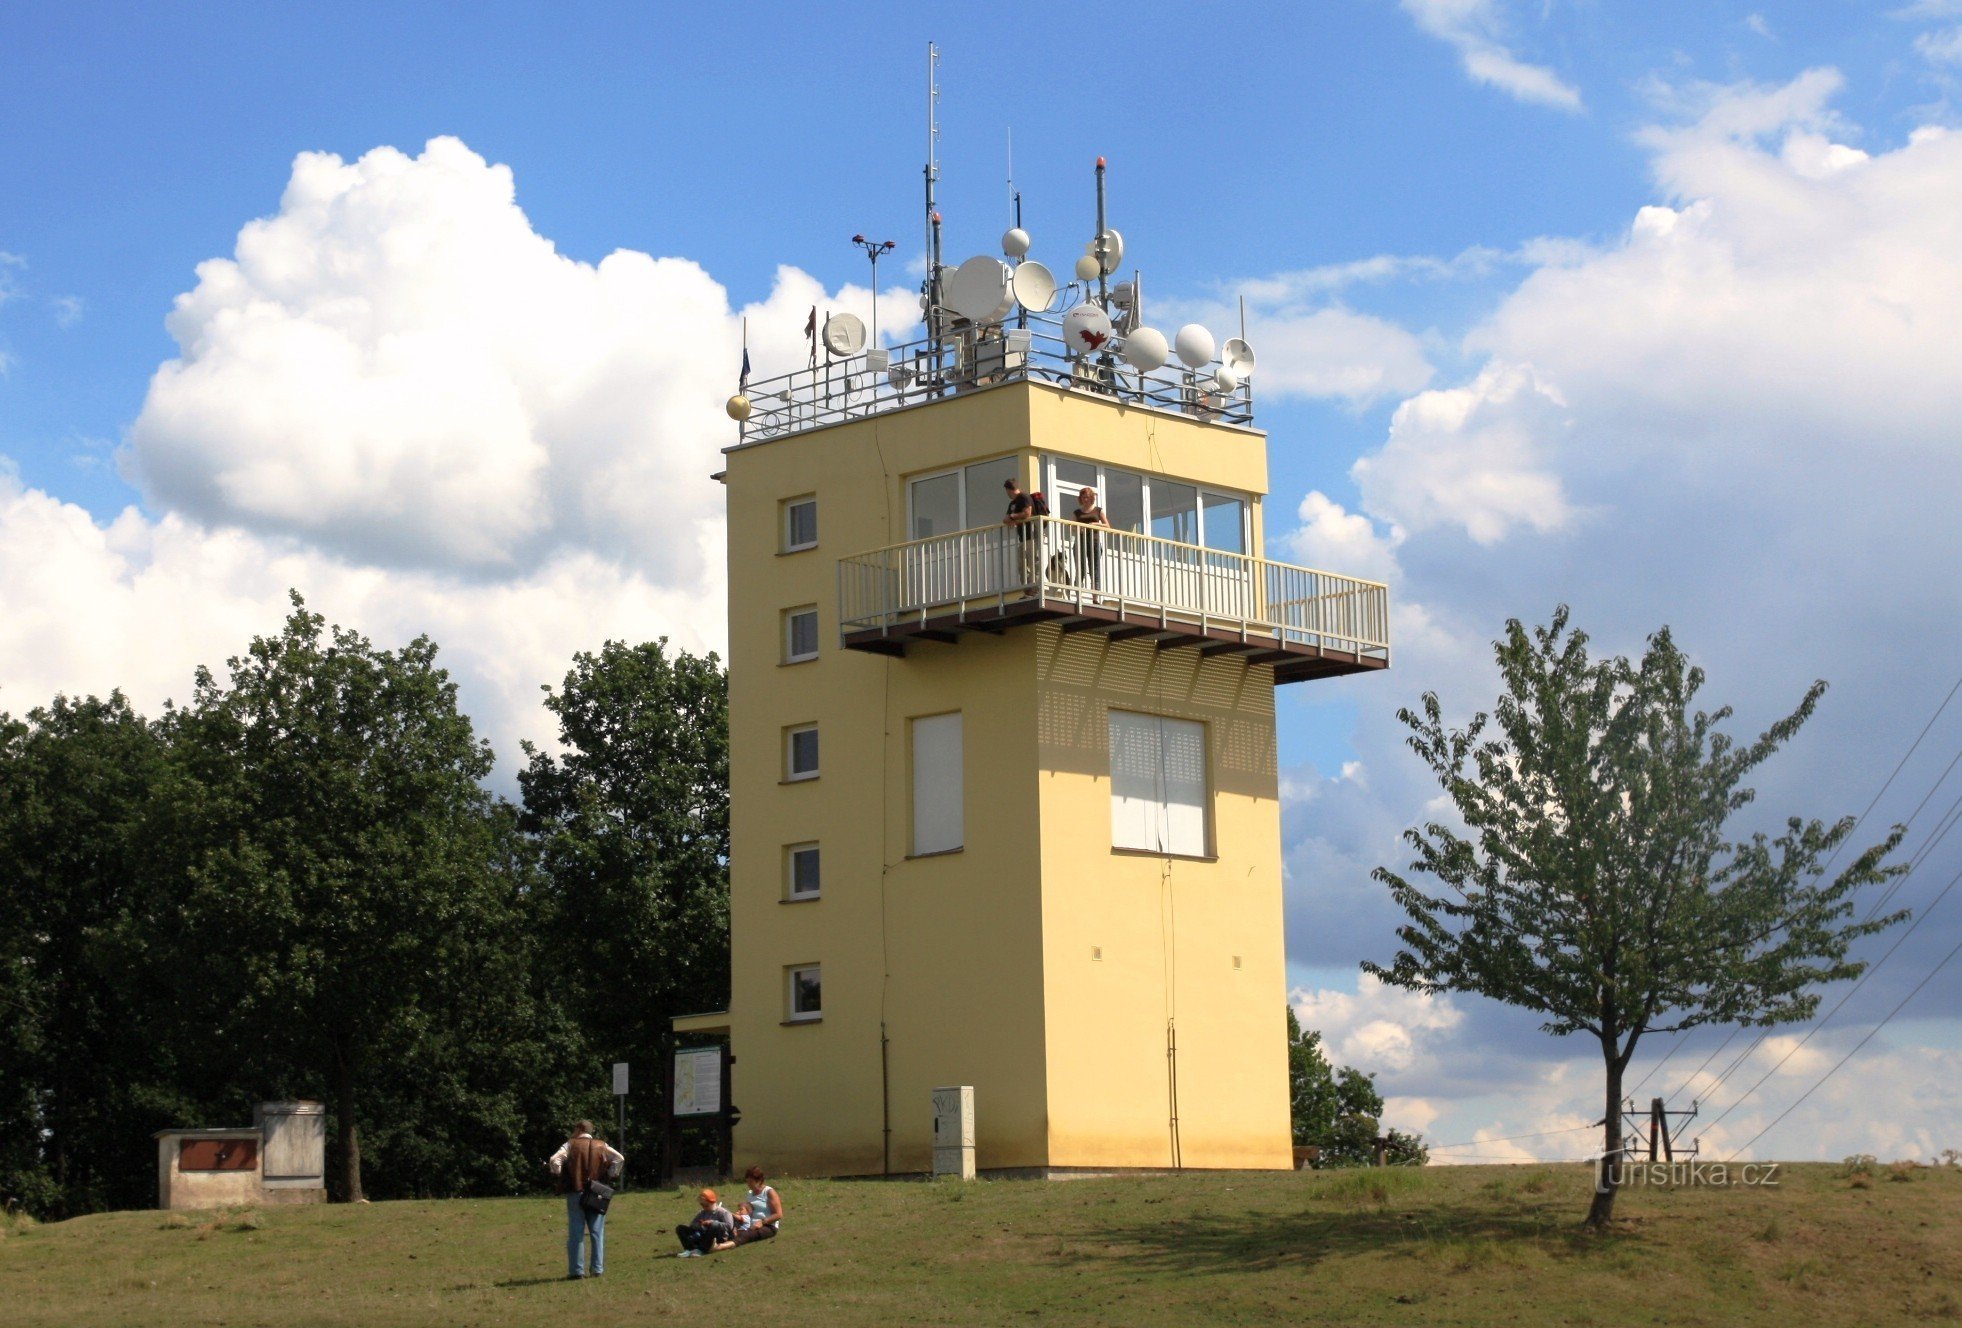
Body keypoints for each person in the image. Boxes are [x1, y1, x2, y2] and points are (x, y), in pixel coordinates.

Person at [546, 1120, 623, 1279]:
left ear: (578, 1129)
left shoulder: (570, 1145)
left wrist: (558, 1172)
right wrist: (611, 1174)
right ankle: (597, 1269)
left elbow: (554, 1159)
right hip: (596, 1192)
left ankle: (576, 1271)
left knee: (576, 1232)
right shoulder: (602, 1145)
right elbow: (619, 1158)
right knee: (597, 1232)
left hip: (576, 1191)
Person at [1070, 486, 1110, 595]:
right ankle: (1078, 594)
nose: (1085, 499)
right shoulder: (1077, 512)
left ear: (1092, 497)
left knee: (1094, 569)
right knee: (1081, 568)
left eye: (1087, 497)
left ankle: (1095, 597)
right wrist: (1079, 529)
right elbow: (1072, 526)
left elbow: (1107, 526)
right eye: (1083, 497)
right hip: (1080, 542)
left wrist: (1094, 524)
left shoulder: (1098, 510)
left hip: (1094, 542)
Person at [1002, 477, 1041, 589]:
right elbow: (1005, 520)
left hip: (1032, 535)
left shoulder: (1024, 497)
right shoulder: (1012, 504)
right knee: (1022, 565)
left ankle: (1035, 587)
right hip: (1022, 537)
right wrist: (1012, 518)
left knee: (1033, 561)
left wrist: (1013, 517)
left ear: (1009, 489)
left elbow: (1027, 513)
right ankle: (1027, 589)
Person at [674, 1187, 735, 1257]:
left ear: (712, 1202)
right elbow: (693, 1224)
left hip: (718, 1237)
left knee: (714, 1225)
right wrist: (700, 1225)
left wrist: (712, 1222)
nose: (704, 1207)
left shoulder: (723, 1212)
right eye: (702, 1205)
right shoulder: (702, 1213)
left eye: (706, 1205)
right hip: (702, 1234)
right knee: (680, 1228)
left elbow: (729, 1226)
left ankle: (701, 1250)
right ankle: (689, 1249)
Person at [731, 1165, 784, 1246]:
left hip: (767, 1226)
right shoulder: (749, 1194)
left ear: (759, 1181)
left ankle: (722, 1247)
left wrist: (762, 1222)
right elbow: (749, 1211)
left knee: (746, 1235)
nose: (748, 1184)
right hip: (751, 1224)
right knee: (730, 1225)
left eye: (751, 1182)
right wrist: (741, 1214)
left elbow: (778, 1214)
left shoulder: (769, 1192)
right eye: (747, 1182)